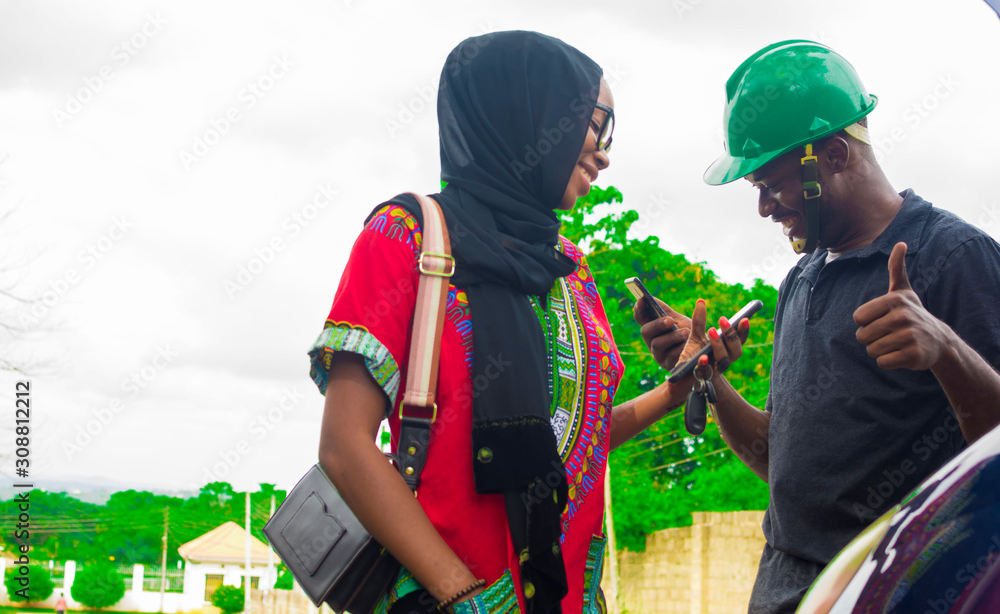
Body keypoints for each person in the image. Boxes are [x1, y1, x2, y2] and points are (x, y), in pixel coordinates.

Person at [309, 30, 749, 614]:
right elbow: (344, 446)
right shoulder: (407, 238)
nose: (604, 152)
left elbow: (572, 441)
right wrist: (462, 596)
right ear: (526, 117)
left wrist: (679, 387)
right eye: (595, 127)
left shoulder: (569, 269)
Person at [638, 39, 1000, 613]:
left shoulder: (955, 257)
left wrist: (946, 349)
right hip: (788, 591)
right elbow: (777, 462)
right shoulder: (800, 279)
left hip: (893, 590)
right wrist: (707, 376)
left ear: (834, 155)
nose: (764, 209)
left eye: (771, 185)